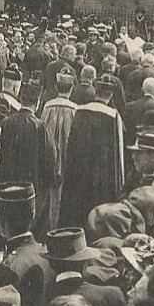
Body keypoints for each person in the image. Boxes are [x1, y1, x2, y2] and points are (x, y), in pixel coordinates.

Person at [0, 80, 59, 239]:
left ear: (20, 99)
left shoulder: (4, 123)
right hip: (32, 190)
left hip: (8, 187)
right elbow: (51, 161)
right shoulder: (42, 127)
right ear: (38, 102)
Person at [57, 73, 126, 230]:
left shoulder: (80, 111)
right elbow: (118, 155)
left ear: (96, 92)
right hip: (101, 177)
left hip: (78, 172)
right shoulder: (114, 116)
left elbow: (70, 141)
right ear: (110, 96)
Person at [39, 70, 79, 228]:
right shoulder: (75, 109)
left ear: (57, 87)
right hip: (67, 156)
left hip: (49, 155)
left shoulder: (48, 106)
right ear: (71, 89)